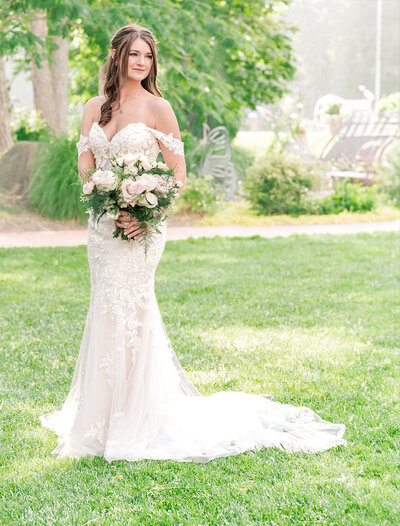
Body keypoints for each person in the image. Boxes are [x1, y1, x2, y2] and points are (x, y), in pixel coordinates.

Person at [39, 24, 347, 462]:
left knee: (132, 308)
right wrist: (106, 197)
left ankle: (138, 420)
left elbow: (177, 173)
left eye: (147, 55)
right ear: (117, 56)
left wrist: (147, 215)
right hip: (103, 228)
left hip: (143, 227)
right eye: (134, 54)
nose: (141, 62)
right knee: (105, 308)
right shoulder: (94, 107)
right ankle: (99, 420)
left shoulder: (159, 108)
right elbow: (86, 165)